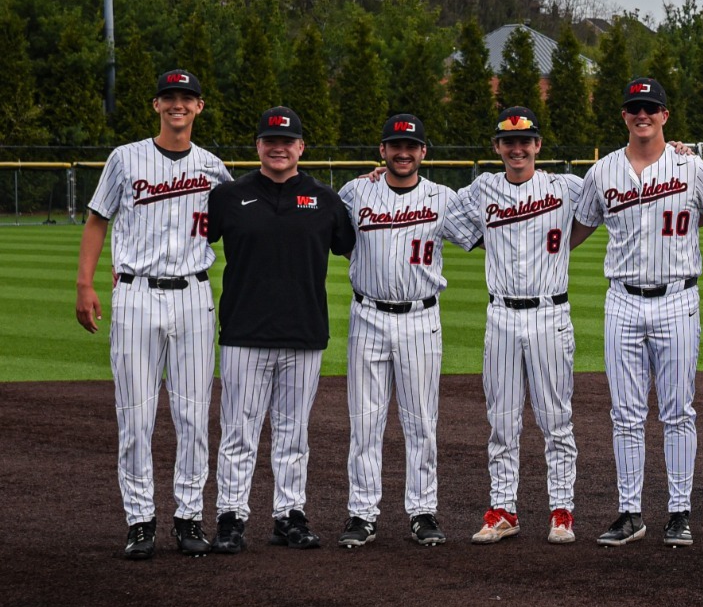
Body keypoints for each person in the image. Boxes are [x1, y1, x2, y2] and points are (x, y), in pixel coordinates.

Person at [75, 69, 233, 559]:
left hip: (192, 297)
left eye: (186, 98)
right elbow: (98, 219)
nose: (178, 105)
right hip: (136, 294)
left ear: (199, 107)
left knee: (191, 416)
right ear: (156, 105)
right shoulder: (125, 158)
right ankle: (140, 521)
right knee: (135, 416)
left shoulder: (212, 166)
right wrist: (84, 283)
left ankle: (188, 517)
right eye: (170, 97)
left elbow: (254, 207)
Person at [570, 78, 703, 548]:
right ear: (624, 115)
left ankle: (679, 511)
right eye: (634, 108)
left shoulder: (691, 167)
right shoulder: (602, 173)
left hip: (678, 297)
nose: (643, 115)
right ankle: (629, 511)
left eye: (651, 108)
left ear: (665, 115)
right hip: (622, 298)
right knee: (626, 413)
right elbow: (575, 229)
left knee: (679, 410)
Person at [205, 107, 357, 553]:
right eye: (270, 140)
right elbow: (190, 241)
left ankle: (289, 515)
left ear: (301, 147)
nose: (278, 147)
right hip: (244, 332)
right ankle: (231, 516)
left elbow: (350, 244)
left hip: (304, 332)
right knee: (239, 430)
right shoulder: (229, 196)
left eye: (287, 141)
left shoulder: (324, 199)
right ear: (258, 146)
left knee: (294, 432)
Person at [439, 107, 585, 545]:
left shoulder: (567, 187)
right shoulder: (481, 189)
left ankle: (562, 511)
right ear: (497, 147)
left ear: (538, 145)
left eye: (525, 141)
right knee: (501, 421)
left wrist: (673, 150)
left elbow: (614, 192)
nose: (517, 148)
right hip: (501, 315)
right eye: (508, 141)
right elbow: (439, 216)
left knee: (556, 419)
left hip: (549, 313)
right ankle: (503, 509)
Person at [334, 115, 465, 549]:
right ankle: (362, 512)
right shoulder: (356, 192)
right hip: (368, 315)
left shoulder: (443, 198)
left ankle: (423, 510)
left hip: (420, 318)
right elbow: (337, 237)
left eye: (411, 146)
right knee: (365, 421)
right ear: (382, 150)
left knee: (421, 421)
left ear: (424, 152)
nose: (403, 152)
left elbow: (491, 228)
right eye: (395, 145)